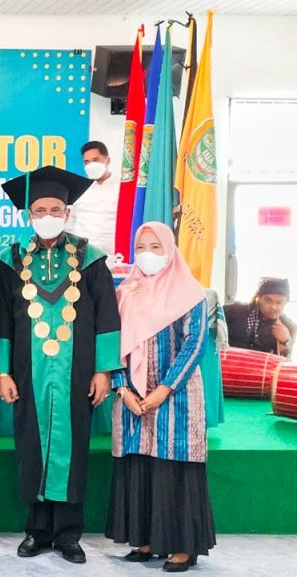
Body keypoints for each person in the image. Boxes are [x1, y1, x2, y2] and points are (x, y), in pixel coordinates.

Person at [0, 165, 123, 564]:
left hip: (78, 373)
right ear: (29, 214)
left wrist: (103, 370)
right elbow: (0, 320)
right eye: (40, 210)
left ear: (67, 212)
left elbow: (107, 317)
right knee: (31, 445)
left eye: (55, 209)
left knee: (72, 446)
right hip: (28, 373)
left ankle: (68, 534)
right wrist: (2, 373)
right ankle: (37, 530)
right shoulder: (10, 261)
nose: (48, 216)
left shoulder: (90, 259)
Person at [107, 222, 216, 573]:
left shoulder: (190, 293)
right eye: (141, 247)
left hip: (175, 396)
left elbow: (194, 344)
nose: (147, 254)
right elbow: (112, 344)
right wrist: (122, 388)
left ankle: (183, 546)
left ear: (170, 250)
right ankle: (146, 539)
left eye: (156, 247)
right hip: (132, 397)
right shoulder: (126, 292)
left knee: (173, 465)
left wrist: (164, 389)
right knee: (140, 463)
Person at [65, 141, 119, 260]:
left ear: (107, 160)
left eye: (96, 160)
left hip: (116, 256)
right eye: (87, 162)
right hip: (83, 256)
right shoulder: (78, 188)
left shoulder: (122, 188)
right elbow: (69, 223)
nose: (91, 165)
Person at [224, 277, 295, 358]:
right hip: (227, 362)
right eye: (268, 300)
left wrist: (285, 341)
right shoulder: (235, 311)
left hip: (262, 365)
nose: (273, 307)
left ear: (286, 302)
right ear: (258, 298)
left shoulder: (288, 326)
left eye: (279, 302)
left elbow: (283, 361)